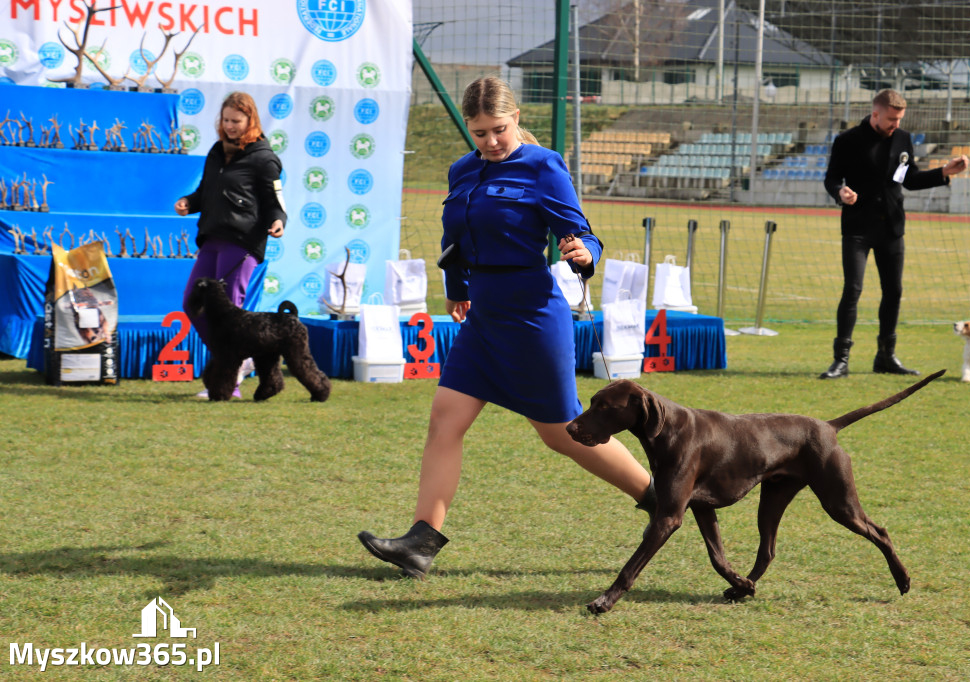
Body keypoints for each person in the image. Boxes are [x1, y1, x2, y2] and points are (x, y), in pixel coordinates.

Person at [357, 77, 655, 578]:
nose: (490, 142)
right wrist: (456, 288)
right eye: (479, 133)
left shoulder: (544, 165)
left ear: (515, 118)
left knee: (564, 432)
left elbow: (581, 232)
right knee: (444, 419)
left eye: (498, 130)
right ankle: (421, 541)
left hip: (532, 316)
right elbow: (454, 236)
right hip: (482, 317)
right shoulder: (461, 171)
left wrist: (586, 254)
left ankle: (661, 498)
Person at [820, 89, 968, 379]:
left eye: (899, 119)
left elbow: (909, 179)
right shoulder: (847, 141)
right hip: (858, 227)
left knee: (894, 291)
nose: (896, 124)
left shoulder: (902, 139)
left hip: (891, 227)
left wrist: (943, 171)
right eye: (891, 119)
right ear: (875, 113)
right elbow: (831, 177)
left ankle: (886, 356)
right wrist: (840, 191)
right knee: (853, 290)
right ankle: (841, 360)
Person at [175, 91, 287, 398]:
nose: (229, 126)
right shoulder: (216, 151)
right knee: (191, 302)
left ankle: (231, 382)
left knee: (229, 313)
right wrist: (189, 202)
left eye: (236, 121)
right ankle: (241, 359)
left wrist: (278, 220)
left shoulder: (264, 158)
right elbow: (207, 191)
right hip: (212, 238)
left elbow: (275, 201)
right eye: (225, 120)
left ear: (251, 120)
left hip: (243, 243)